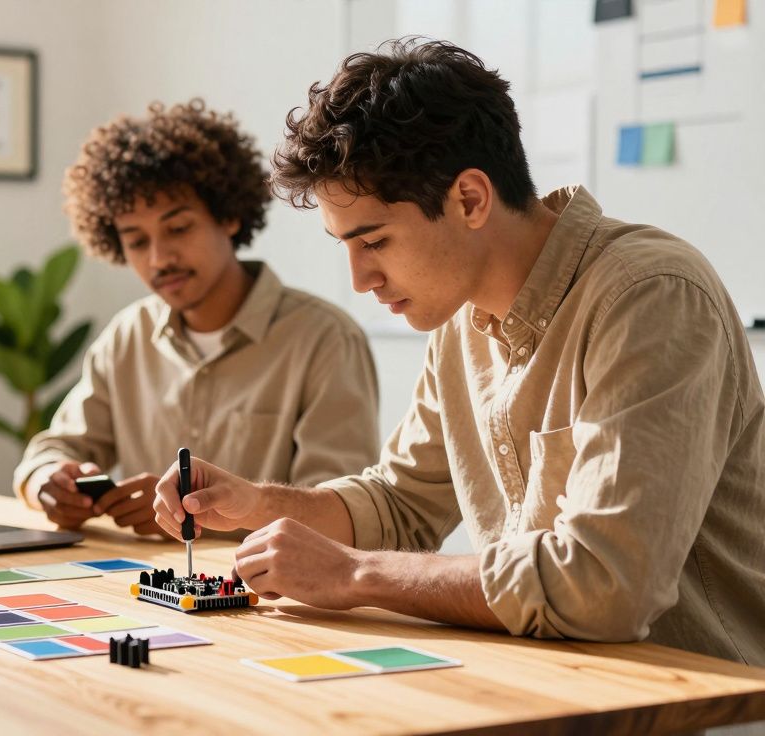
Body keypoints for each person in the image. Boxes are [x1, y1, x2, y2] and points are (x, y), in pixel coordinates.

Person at [154, 40, 765, 666]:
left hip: (699, 708)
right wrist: (259, 504)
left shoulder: (652, 298)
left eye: (375, 242)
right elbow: (400, 504)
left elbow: (604, 584)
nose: (361, 280)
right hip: (547, 687)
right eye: (345, 246)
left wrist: (357, 574)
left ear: (470, 199)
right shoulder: (459, 320)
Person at [15, 100, 380, 537]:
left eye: (179, 228)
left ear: (228, 216)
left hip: (260, 596)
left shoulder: (325, 340)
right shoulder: (127, 337)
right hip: (142, 587)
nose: (159, 258)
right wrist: (49, 482)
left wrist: (199, 515)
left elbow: (340, 511)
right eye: (135, 240)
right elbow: (54, 449)